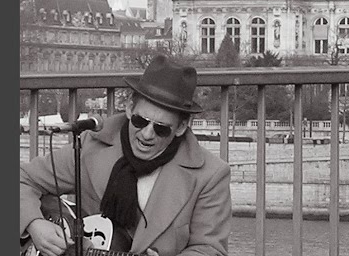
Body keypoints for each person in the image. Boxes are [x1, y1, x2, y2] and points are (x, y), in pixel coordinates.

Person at [21, 55, 231, 256]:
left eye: (161, 128)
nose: (147, 134)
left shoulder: (210, 176)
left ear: (181, 127)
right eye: (140, 121)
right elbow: (23, 179)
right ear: (130, 109)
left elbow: (210, 249)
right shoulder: (91, 146)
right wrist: (34, 224)